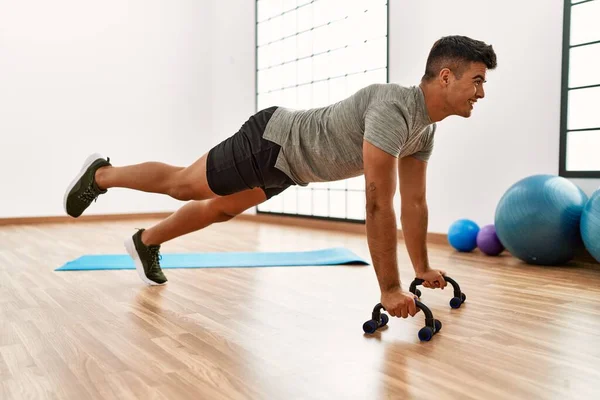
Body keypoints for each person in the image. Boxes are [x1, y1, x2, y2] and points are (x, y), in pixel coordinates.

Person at [64, 35, 497, 320]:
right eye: (476, 80)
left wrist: (420, 268)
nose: (480, 92)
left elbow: (415, 203)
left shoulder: (424, 128)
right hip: (273, 141)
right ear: (446, 76)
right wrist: (390, 287)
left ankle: (146, 242)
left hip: (289, 166)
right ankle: (101, 174)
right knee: (184, 184)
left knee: (220, 209)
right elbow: (378, 203)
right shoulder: (393, 111)